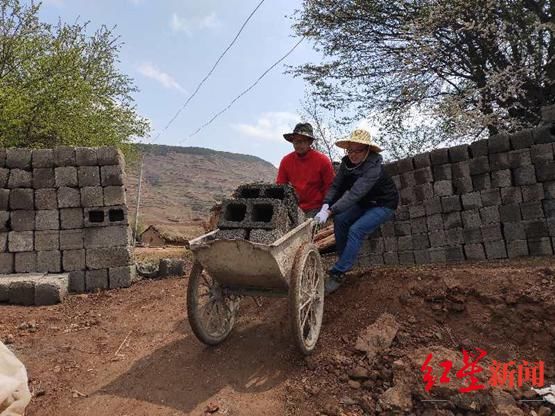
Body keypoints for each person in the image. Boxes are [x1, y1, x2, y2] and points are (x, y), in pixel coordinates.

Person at [314, 129, 399, 294]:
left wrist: (330, 211)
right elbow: (336, 186)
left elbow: (355, 194)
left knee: (356, 229)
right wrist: (325, 205)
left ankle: (338, 272)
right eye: (350, 150)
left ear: (367, 150)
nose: (353, 154)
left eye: (358, 150)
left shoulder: (374, 169)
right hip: (364, 203)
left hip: (383, 204)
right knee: (341, 220)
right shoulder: (346, 165)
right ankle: (344, 259)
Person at [276, 122, 335, 217]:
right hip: (294, 207)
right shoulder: (286, 161)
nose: (300, 145)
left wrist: (325, 209)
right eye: (296, 141)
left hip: (316, 207)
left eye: (303, 141)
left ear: (310, 142)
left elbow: (330, 187)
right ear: (292, 141)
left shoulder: (323, 160)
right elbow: (281, 186)